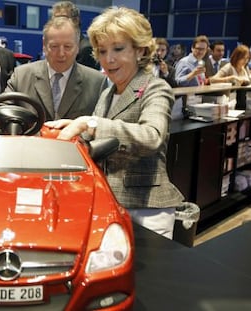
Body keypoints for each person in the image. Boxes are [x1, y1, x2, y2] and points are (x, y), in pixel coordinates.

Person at [46, 7, 184, 239]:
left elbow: (152, 136)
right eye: (102, 51)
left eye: (118, 49)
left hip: (147, 211)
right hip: (110, 204)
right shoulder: (108, 93)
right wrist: (74, 126)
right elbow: (98, 137)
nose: (108, 59)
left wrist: (90, 123)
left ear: (140, 50)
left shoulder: (156, 88)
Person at [4, 16, 107, 121]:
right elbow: (2, 109)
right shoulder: (21, 76)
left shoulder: (97, 82)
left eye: (67, 47)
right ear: (44, 46)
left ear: (77, 47)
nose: (61, 54)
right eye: (54, 46)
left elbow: (102, 124)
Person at [52, 1, 100, 70]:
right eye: (54, 19)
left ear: (76, 20)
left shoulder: (86, 49)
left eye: (62, 18)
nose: (58, 23)